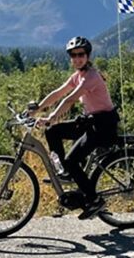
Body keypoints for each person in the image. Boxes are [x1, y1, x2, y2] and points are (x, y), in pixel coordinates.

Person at [32, 36, 119, 219]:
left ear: (87, 56)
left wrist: (51, 117)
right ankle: (66, 173)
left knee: (71, 160)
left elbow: (69, 99)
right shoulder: (78, 75)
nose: (77, 58)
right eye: (73, 55)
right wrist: (36, 109)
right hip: (90, 121)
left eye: (81, 55)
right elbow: (58, 93)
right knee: (52, 131)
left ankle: (95, 200)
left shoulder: (91, 77)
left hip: (103, 125)